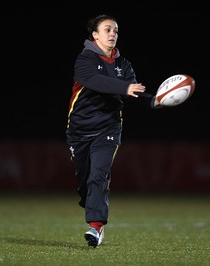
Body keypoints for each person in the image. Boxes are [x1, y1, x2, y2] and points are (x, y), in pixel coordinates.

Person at [65, 14, 161, 248]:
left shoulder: (123, 65)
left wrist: (155, 101)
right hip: (79, 129)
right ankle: (90, 200)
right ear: (95, 35)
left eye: (116, 30)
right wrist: (124, 87)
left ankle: (95, 228)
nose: (112, 34)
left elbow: (134, 92)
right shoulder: (85, 60)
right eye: (107, 29)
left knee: (99, 175)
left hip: (108, 127)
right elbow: (93, 81)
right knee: (86, 182)